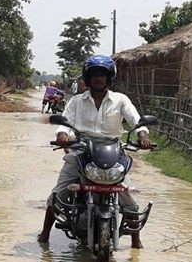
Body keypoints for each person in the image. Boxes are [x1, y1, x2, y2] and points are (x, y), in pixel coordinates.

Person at [37, 55, 151, 249]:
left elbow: (135, 119)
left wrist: (142, 135)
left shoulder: (120, 100)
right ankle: (45, 234)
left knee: (129, 200)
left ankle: (136, 241)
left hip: (113, 151)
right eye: (94, 75)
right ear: (88, 78)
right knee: (59, 194)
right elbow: (66, 121)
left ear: (109, 78)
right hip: (81, 149)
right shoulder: (76, 101)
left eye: (102, 75)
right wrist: (63, 134)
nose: (98, 78)